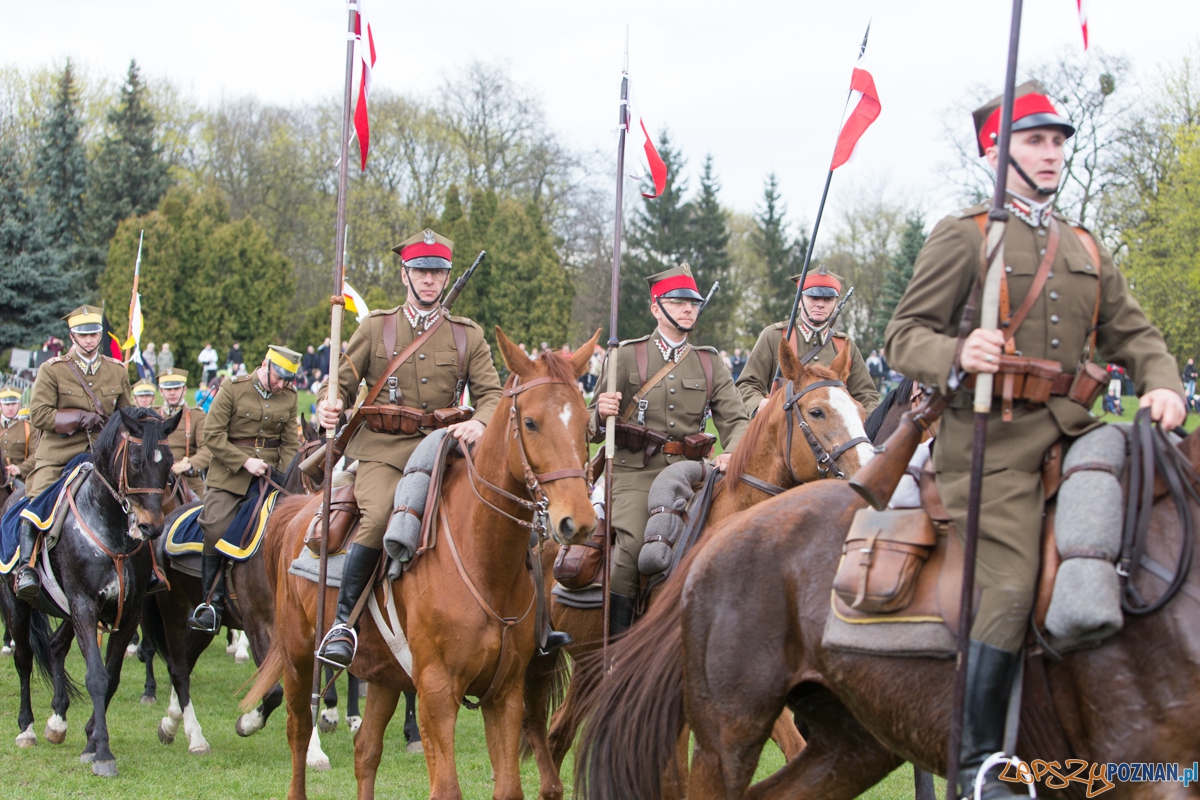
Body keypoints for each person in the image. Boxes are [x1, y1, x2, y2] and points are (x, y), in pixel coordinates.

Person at [884, 81, 1185, 800]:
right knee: (1012, 583)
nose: (1050, 153)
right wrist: (959, 352)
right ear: (996, 150)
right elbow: (903, 336)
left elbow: (1135, 333)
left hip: (1075, 433)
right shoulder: (965, 235)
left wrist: (1163, 382)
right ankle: (979, 764)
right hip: (989, 445)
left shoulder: (1083, 245)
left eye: (1056, 141)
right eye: (1033, 140)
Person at [315, 228, 508, 669]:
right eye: (420, 271)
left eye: (437, 272)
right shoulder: (376, 326)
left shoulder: (467, 335)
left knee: (500, 509)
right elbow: (340, 381)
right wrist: (331, 402)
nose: (428, 279)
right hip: (384, 450)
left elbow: (492, 394)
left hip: (445, 451)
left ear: (447, 277)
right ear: (405, 274)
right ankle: (343, 624)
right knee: (380, 515)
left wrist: (480, 422)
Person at [590, 264, 750, 636]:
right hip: (635, 473)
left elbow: (737, 419)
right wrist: (599, 413)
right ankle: (617, 648)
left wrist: (734, 451)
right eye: (678, 302)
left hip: (692, 474)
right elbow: (589, 426)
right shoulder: (625, 356)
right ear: (656, 308)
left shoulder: (709, 362)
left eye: (693, 303)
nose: (688, 309)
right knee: (633, 548)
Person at [14, 305, 133, 600]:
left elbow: (127, 416)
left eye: (93, 334)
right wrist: (80, 418)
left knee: (140, 502)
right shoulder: (53, 369)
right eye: (83, 334)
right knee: (37, 502)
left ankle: (149, 568)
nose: (89, 339)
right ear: (72, 336)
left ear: (100, 335)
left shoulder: (117, 370)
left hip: (104, 457)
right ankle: (27, 567)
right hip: (59, 455)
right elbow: (38, 414)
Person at [188, 345, 301, 632]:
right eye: (278, 377)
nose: (282, 385)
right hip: (229, 477)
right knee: (215, 527)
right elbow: (213, 435)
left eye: (287, 380)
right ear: (265, 364)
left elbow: (290, 444)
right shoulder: (233, 387)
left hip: (271, 478)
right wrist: (245, 462)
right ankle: (211, 604)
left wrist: (288, 479)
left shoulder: (289, 396)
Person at [736, 266, 880, 415]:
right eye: (813, 297)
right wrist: (758, 405)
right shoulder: (774, 336)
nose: (820, 304)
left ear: (835, 304)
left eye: (828, 299)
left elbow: (867, 396)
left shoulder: (843, 345)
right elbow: (746, 385)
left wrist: (867, 422)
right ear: (799, 301)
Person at [156, 369, 212, 498]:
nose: (172, 392)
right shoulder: (152, 416)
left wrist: (189, 464)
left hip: (187, 478)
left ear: (184, 389)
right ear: (161, 391)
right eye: (168, 389)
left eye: (177, 388)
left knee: (208, 507)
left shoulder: (197, 416)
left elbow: (207, 448)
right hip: (156, 477)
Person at [1, 389, 38, 485]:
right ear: (0, 405)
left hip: (18, 478)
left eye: (13, 404)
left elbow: (36, 454)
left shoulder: (29, 428)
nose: (10, 408)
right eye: (7, 404)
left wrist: (19, 468)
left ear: (19, 405)